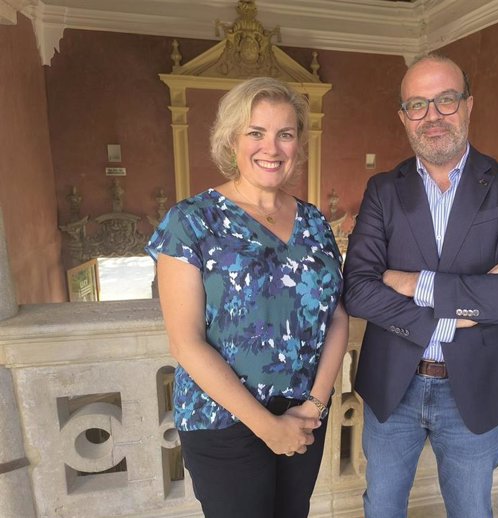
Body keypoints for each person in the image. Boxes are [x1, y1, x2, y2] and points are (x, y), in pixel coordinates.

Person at [343, 54, 498, 518]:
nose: (432, 115)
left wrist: (414, 282)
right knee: (382, 507)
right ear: (403, 117)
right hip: (393, 385)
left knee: (472, 510)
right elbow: (357, 288)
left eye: (446, 100)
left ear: (469, 105)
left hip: (474, 387)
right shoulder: (383, 190)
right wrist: (459, 312)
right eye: (418, 104)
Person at [146, 77, 348, 518]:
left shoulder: (313, 222)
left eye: (285, 134)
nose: (271, 148)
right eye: (256, 132)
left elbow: (336, 317)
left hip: (303, 414)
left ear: (298, 143)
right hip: (223, 421)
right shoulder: (191, 222)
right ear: (231, 140)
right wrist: (268, 428)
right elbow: (186, 343)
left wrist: (313, 406)